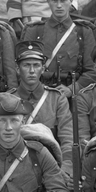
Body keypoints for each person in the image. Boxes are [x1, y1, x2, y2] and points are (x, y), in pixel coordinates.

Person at [17, 0, 95, 92]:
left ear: (71, 1)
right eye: (54, 1)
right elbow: (24, 67)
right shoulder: (34, 30)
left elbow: (92, 70)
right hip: (40, 92)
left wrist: (72, 89)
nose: (59, 5)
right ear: (48, 1)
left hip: (73, 95)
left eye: (63, 0)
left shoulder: (83, 31)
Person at [9, 41, 74, 176]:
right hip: (14, 166)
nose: (32, 71)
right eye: (26, 65)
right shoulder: (8, 99)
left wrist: (66, 168)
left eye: (36, 65)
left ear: (43, 68)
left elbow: (67, 137)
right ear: (17, 68)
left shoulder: (56, 98)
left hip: (51, 165)